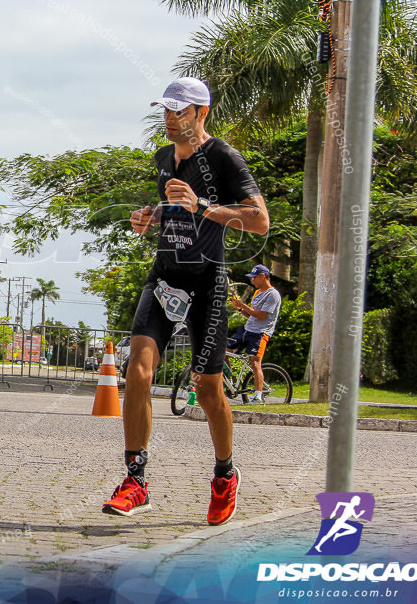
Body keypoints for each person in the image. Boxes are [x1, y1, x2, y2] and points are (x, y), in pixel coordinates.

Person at [103, 77, 269, 526]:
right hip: (165, 277)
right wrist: (149, 217)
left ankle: (224, 474)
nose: (170, 118)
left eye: (180, 110)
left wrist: (202, 207)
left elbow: (259, 221)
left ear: (202, 113)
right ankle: (135, 481)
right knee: (137, 372)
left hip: (207, 284)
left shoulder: (223, 158)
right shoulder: (163, 159)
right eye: (166, 109)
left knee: (207, 388)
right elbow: (169, 208)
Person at [228, 263, 282, 404]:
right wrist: (239, 309)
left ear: (262, 276)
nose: (252, 281)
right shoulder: (257, 293)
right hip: (247, 329)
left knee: (255, 362)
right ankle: (230, 381)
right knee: (224, 351)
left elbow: (261, 315)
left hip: (260, 333)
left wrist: (243, 305)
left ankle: (258, 396)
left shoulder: (273, 294)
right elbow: (251, 315)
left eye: (254, 278)